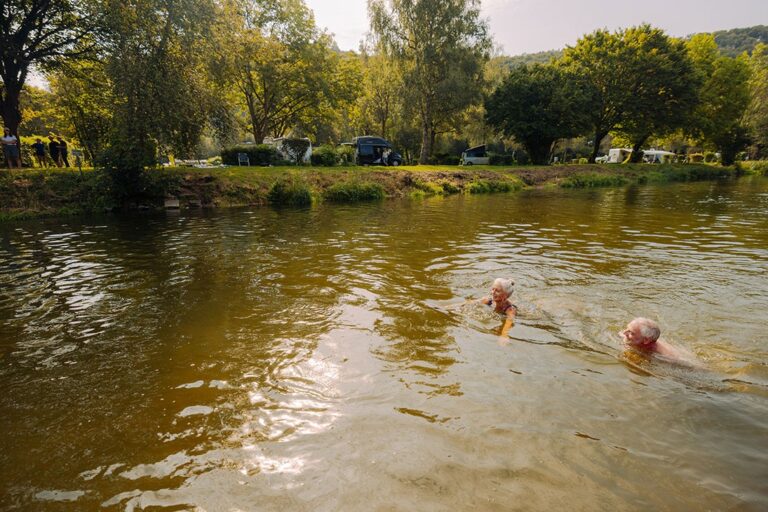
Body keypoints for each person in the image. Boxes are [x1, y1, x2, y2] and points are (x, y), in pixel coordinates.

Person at [620, 317, 692, 364]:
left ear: (646, 340)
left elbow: (687, 364)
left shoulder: (666, 356)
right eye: (627, 329)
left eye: (632, 333)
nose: (624, 333)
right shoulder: (642, 338)